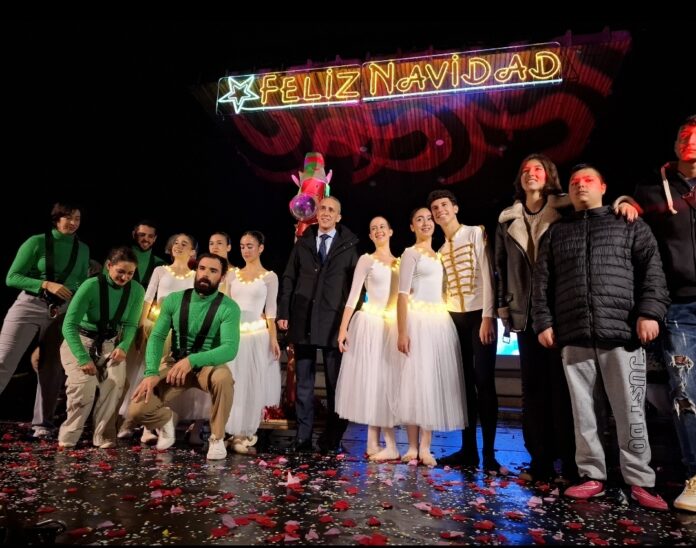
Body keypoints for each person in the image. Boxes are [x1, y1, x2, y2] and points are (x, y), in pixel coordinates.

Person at [532, 163, 670, 511]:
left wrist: (650, 312)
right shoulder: (556, 233)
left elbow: (653, 270)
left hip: (622, 334)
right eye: (575, 181)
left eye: (588, 180)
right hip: (574, 333)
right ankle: (592, 475)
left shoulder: (628, 223)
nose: (581, 185)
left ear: (603, 187)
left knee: (630, 412)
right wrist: (543, 322)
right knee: (584, 414)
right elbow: (541, 283)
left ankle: (639, 479)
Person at [495, 154, 578, 483]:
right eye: (525, 170)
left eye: (538, 169)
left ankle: (569, 464)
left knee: (563, 389)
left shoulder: (567, 208)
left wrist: (624, 202)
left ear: (549, 176)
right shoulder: (507, 218)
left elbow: (600, 209)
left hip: (559, 310)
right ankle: (540, 461)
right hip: (524, 313)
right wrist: (503, 308)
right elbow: (499, 267)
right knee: (532, 390)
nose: (531, 174)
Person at [632, 115, 696, 512]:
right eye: (684, 136)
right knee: (686, 391)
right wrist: (625, 203)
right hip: (681, 306)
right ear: (675, 145)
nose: (691, 141)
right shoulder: (652, 190)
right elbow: (644, 253)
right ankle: (695, 476)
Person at [126, 253, 241, 460]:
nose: (205, 274)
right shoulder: (174, 300)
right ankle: (166, 419)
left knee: (223, 378)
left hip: (207, 366)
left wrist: (192, 361)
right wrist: (151, 372)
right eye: (202, 268)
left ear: (222, 277)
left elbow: (229, 349)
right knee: (136, 410)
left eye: (213, 271)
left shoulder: (229, 307)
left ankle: (217, 438)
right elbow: (157, 337)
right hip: (175, 363)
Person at [0, 201, 90, 439]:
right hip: (30, 304)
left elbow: (81, 281)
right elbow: (12, 277)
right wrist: (45, 284)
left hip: (62, 311)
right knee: (4, 360)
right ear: (57, 218)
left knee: (52, 368)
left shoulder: (83, 249)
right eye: (68, 217)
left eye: (77, 218)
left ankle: (43, 424)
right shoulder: (36, 242)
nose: (73, 223)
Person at [427, 190, 502, 473]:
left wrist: (488, 316)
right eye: (435, 208)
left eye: (444, 205)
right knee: (463, 385)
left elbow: (487, 274)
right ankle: (468, 449)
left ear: (455, 207)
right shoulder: (440, 250)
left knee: (484, 381)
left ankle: (489, 454)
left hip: (478, 315)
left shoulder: (475, 233)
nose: (440, 210)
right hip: (453, 318)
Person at [277, 195, 359, 454]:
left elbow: (355, 288)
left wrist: (350, 322)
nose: (325, 213)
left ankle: (331, 439)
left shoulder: (349, 245)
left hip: (334, 322)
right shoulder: (304, 242)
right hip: (303, 319)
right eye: (322, 208)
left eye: (331, 210)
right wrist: (283, 311)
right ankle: (303, 438)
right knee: (304, 384)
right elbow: (289, 277)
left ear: (338, 217)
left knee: (336, 385)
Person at [388, 208, 467, 467]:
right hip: (417, 321)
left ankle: (425, 447)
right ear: (412, 226)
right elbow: (402, 294)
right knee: (413, 383)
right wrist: (402, 331)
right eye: (419, 219)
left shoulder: (441, 254)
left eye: (429, 219)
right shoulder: (410, 254)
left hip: (437, 322)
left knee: (430, 383)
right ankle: (412, 446)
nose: (426, 223)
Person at [57, 246, 144, 448]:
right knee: (84, 386)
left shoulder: (137, 290)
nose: (125, 277)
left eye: (130, 273)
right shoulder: (90, 286)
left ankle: (103, 435)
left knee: (115, 383)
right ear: (108, 266)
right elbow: (69, 325)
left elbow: (131, 324)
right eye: (120, 271)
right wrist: (82, 357)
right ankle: (69, 435)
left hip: (110, 344)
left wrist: (123, 346)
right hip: (80, 341)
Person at [117, 233, 198, 441]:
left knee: (164, 378)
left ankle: (149, 425)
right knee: (147, 372)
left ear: (192, 251)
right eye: (176, 242)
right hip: (157, 327)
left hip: (180, 332)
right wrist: (141, 325)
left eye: (184, 243)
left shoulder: (194, 276)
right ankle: (131, 420)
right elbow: (148, 298)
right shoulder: (161, 270)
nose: (178, 246)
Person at [335, 216, 400, 461]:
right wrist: (343, 329)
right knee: (376, 382)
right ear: (371, 236)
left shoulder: (401, 262)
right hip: (371, 325)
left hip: (391, 326)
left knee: (386, 383)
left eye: (382, 226)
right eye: (373, 228)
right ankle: (379, 443)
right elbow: (353, 296)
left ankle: (380, 443)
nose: (378, 230)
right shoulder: (366, 260)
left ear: (391, 231)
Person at [224, 231, 281, 454]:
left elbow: (271, 311)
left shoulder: (269, 277)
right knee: (232, 381)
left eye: (250, 246)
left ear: (261, 248)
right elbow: (226, 306)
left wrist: (273, 338)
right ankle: (226, 431)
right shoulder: (232, 275)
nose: (245, 250)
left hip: (256, 335)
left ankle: (243, 433)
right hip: (235, 334)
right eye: (242, 246)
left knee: (250, 383)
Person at [130, 220, 166, 289]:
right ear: (134, 234)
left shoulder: (161, 264)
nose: (146, 239)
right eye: (142, 235)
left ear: (155, 238)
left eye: (150, 236)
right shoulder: (118, 258)